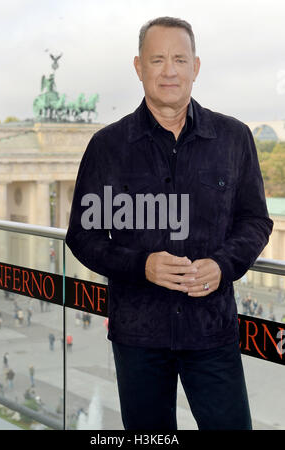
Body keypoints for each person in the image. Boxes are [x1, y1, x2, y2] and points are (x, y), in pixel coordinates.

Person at [66, 16, 274, 430]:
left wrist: (223, 264)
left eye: (179, 59)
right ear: (138, 67)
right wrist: (142, 264)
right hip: (138, 335)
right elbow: (83, 236)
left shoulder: (234, 138)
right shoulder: (107, 146)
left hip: (211, 332)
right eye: (157, 59)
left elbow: (255, 221)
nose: (169, 70)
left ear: (195, 66)